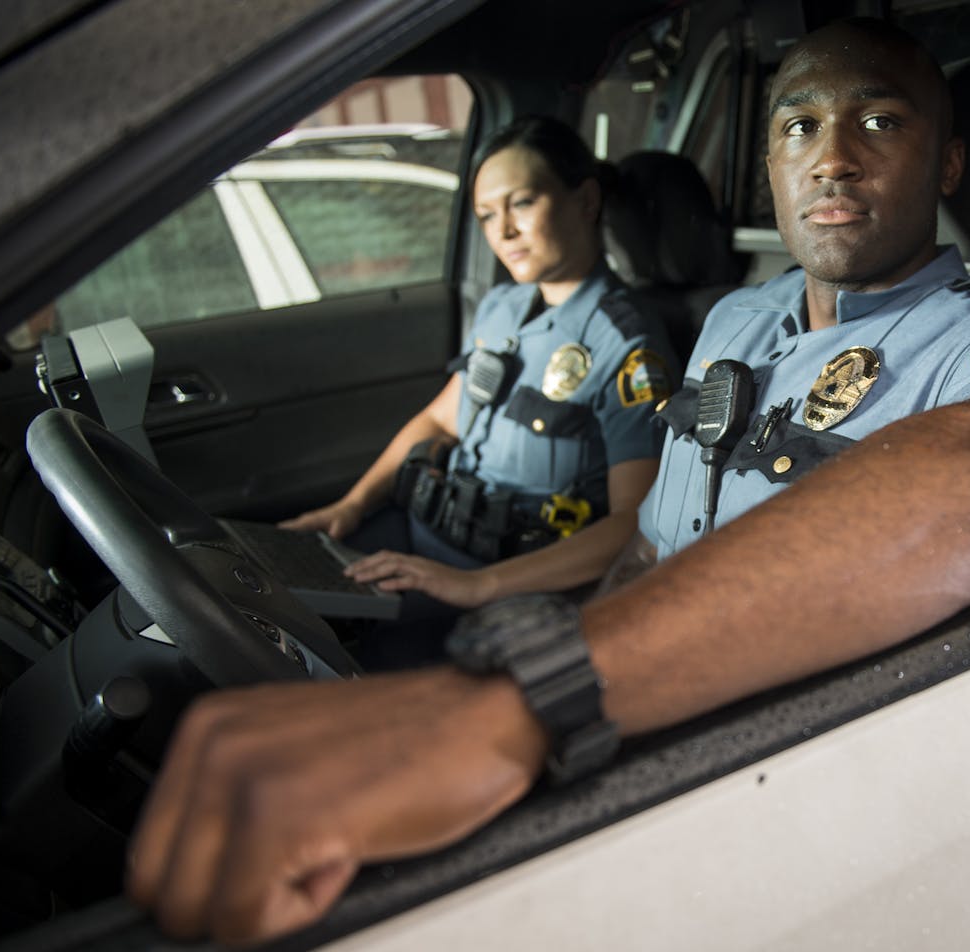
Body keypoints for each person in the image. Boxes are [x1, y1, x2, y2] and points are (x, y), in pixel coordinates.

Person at [127, 18, 970, 944]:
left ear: (945, 163)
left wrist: (521, 700)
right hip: (621, 716)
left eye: (879, 121)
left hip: (781, 766)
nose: (832, 154)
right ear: (769, 161)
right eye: (799, 125)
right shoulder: (738, 319)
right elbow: (648, 539)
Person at [280, 116, 677, 666]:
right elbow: (442, 420)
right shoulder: (503, 307)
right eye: (488, 216)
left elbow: (636, 524)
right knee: (274, 587)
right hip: (429, 532)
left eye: (522, 204)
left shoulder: (626, 344)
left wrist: (478, 586)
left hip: (507, 582)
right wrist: (353, 504)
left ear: (585, 200)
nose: (503, 233)